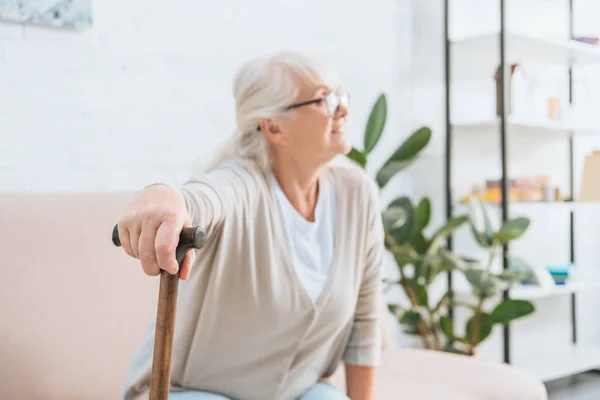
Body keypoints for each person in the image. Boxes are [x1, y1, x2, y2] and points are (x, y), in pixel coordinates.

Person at [118, 51, 386, 400]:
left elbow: (364, 328)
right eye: (325, 100)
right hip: (192, 391)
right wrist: (159, 197)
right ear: (273, 126)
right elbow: (200, 198)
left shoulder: (357, 195)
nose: (343, 110)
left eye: (340, 96)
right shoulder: (241, 185)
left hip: (297, 391)